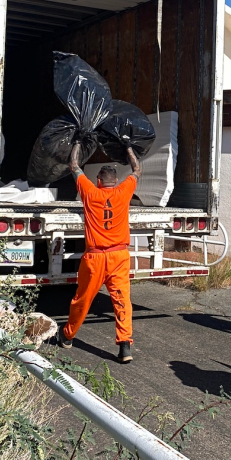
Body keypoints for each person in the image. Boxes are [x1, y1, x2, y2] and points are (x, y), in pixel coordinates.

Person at [59, 143, 142, 364]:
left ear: (98, 181)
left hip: (95, 258)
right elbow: (136, 170)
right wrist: (128, 150)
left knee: (82, 300)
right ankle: (125, 347)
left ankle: (67, 335)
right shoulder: (124, 192)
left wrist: (77, 142)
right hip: (119, 256)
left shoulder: (89, 192)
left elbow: (73, 165)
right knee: (122, 300)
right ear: (115, 181)